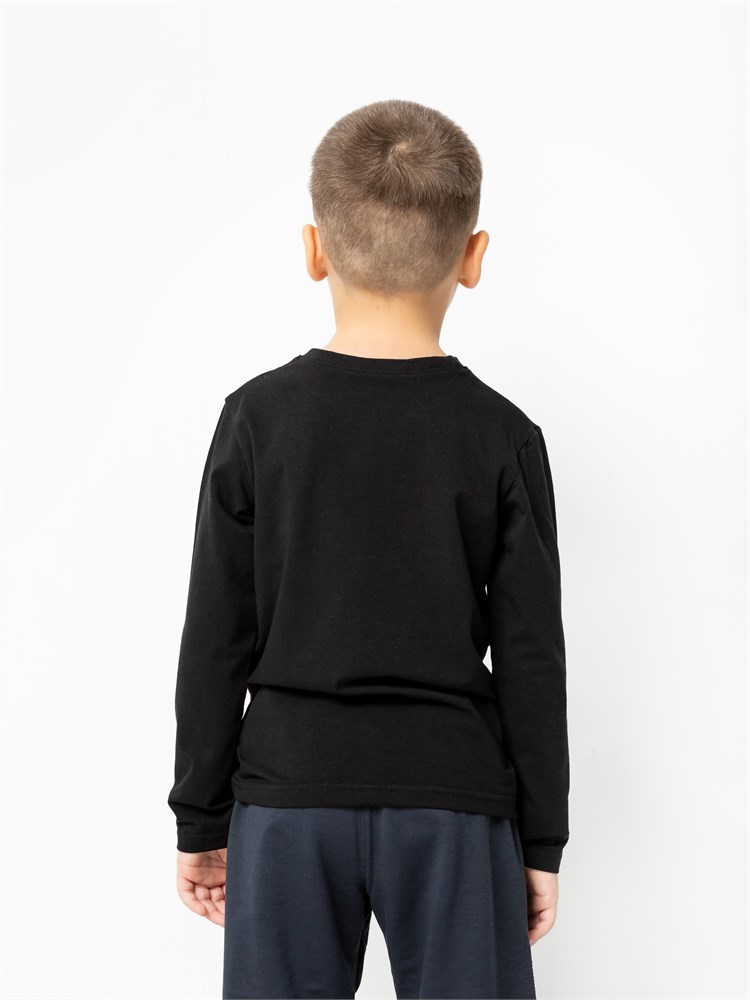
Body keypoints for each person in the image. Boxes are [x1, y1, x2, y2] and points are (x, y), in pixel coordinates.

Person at [168, 98, 570, 1000]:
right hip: (453, 802)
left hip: (287, 798)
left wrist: (201, 815)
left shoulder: (258, 420)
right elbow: (533, 656)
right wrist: (541, 837)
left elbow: (217, 633)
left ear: (314, 250)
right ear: (473, 258)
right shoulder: (502, 435)